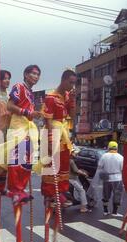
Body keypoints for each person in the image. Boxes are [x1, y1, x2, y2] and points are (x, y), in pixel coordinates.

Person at [0, 65, 42, 205]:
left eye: (38, 74)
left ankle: (20, 190)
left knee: (27, 160)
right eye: (33, 73)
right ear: (25, 74)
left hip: (28, 127)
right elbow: (10, 106)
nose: (36, 76)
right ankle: (14, 190)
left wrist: (36, 114)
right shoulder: (19, 87)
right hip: (18, 126)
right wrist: (28, 113)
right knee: (17, 158)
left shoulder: (31, 92)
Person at [40, 70, 77, 207]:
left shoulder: (66, 96)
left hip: (63, 132)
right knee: (51, 165)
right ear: (63, 80)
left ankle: (59, 193)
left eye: (74, 83)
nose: (72, 86)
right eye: (70, 82)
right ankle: (49, 196)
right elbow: (47, 120)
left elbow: (72, 116)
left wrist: (72, 100)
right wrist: (50, 140)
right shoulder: (51, 97)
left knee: (63, 163)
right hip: (52, 132)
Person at [98, 141, 124, 216]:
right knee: (117, 195)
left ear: (108, 147)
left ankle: (105, 211)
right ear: (117, 148)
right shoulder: (121, 157)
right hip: (117, 178)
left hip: (106, 178)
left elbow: (99, 166)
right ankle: (114, 212)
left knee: (105, 195)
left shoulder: (104, 156)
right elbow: (122, 169)